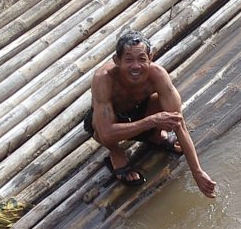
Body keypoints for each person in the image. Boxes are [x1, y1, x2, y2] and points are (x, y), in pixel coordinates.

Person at [83, 30, 217, 198]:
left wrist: (197, 172)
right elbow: (106, 132)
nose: (136, 66)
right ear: (117, 61)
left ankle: (154, 136)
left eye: (141, 59)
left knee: (163, 106)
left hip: (140, 111)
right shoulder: (103, 78)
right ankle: (116, 152)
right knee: (100, 127)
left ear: (150, 57)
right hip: (112, 121)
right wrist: (151, 121)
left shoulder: (158, 75)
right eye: (129, 60)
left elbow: (178, 123)